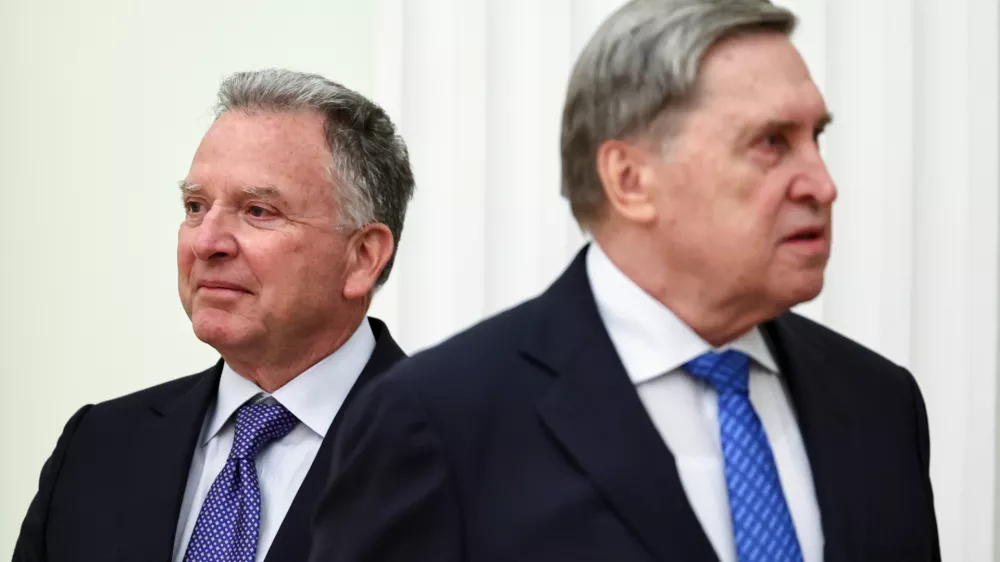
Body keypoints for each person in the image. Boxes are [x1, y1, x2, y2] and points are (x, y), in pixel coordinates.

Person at [308, 1, 940, 561]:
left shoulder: (881, 404)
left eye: (816, 138)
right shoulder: (436, 419)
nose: (822, 184)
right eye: (772, 142)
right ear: (631, 180)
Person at [13, 68, 415, 562]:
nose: (206, 242)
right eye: (196, 205)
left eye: (259, 211)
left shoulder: (469, 456)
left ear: (362, 257)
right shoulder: (97, 446)